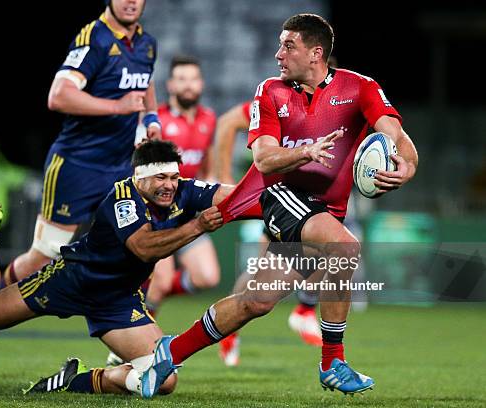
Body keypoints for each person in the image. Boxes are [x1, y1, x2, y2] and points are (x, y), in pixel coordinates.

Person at [148, 13, 418, 395]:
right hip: (282, 196)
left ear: (316, 53)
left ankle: (169, 351)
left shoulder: (360, 88)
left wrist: (406, 164)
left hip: (323, 213)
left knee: (254, 302)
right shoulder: (270, 91)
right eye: (279, 45)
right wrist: (306, 152)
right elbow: (263, 158)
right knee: (345, 247)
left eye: (288, 46)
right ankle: (333, 362)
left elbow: (395, 132)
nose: (278, 54)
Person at [0, 140, 232, 398]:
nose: (169, 185)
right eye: (160, 178)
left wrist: (271, 195)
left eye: (173, 177)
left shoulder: (183, 191)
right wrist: (197, 226)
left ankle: (76, 380)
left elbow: (231, 196)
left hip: (116, 300)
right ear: (138, 177)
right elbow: (143, 247)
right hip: (72, 280)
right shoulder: (122, 199)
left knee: (165, 380)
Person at [0, 0, 161, 379]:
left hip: (120, 169)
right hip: (75, 166)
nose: (132, 1)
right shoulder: (94, 38)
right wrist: (118, 108)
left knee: (142, 246)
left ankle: (126, 342)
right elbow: (59, 95)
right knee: (44, 255)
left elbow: (145, 82)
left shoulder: (147, 43)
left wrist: (150, 118)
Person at [214, 100, 322, 368]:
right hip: (281, 197)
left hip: (311, 198)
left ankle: (305, 309)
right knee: (260, 273)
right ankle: (229, 329)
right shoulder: (278, 99)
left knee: (330, 246)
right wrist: (224, 177)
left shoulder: (337, 104)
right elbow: (228, 122)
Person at [146, 56, 219, 314]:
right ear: (170, 85)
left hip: (187, 210)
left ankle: (147, 294)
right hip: (157, 213)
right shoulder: (158, 122)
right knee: (161, 282)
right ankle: (131, 347)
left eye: (193, 79)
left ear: (201, 84)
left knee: (207, 277)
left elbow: (208, 167)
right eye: (181, 79)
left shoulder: (209, 119)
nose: (188, 85)